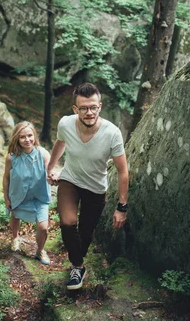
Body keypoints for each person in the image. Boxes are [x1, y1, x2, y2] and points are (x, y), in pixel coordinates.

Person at [47, 83, 129, 290]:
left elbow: (122, 171)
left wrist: (122, 207)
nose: (89, 112)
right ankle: (78, 266)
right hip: (70, 180)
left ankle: (77, 261)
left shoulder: (112, 133)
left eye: (93, 107)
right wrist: (50, 168)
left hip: (95, 188)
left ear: (99, 106)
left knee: (86, 232)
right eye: (83, 108)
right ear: (75, 109)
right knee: (67, 223)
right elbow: (60, 142)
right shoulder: (66, 124)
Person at [3, 121, 52, 265]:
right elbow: (6, 178)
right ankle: (15, 237)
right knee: (15, 215)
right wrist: (6, 198)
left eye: (30, 135)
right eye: (22, 137)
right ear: (17, 139)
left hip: (39, 196)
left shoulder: (43, 154)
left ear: (34, 136)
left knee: (43, 227)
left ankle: (40, 250)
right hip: (18, 194)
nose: (27, 140)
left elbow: (51, 172)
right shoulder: (11, 157)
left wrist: (54, 176)